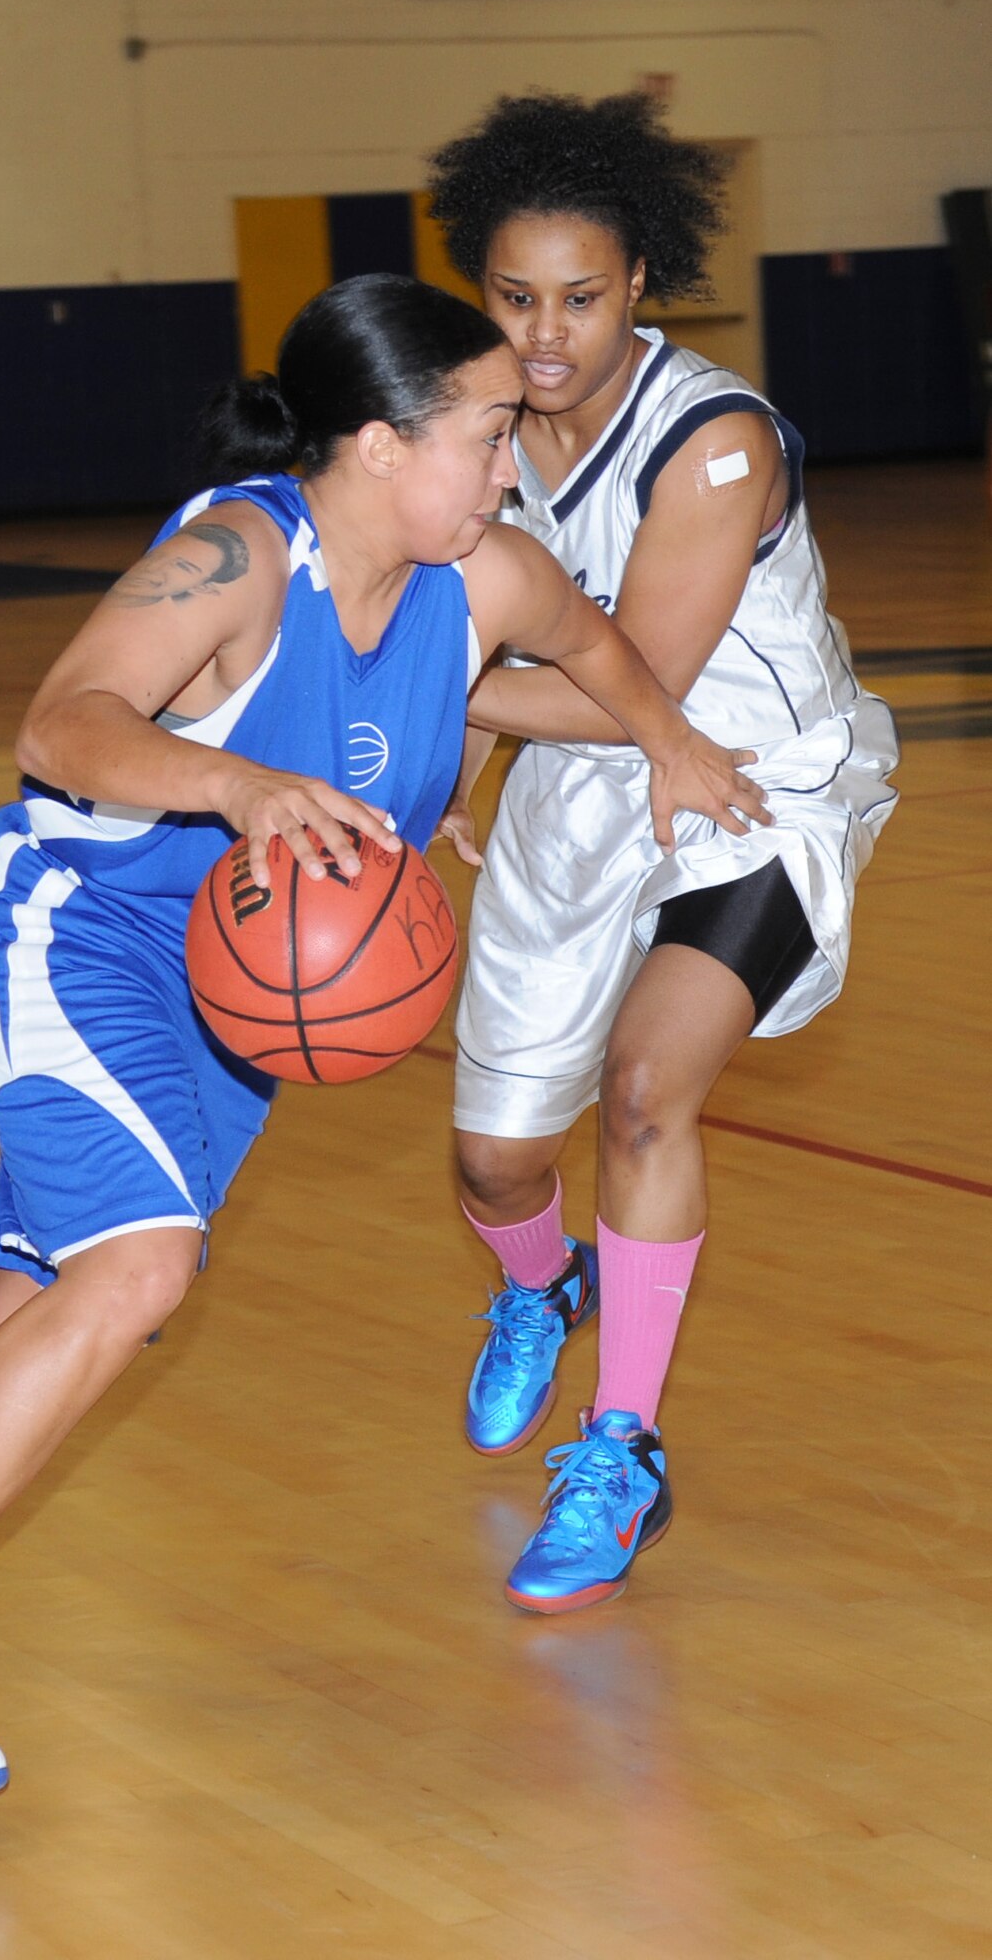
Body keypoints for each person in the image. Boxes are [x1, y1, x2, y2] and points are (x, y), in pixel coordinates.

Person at [0, 272, 764, 1796]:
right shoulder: (239, 556)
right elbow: (60, 725)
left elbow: (597, 650)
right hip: (71, 934)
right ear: (379, 446)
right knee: (139, 1270)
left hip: (227, 1006)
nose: (511, 461)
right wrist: (233, 784)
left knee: (34, 1325)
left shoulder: (489, 578)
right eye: (486, 430)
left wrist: (669, 745)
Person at [426, 94, 899, 1614]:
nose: (545, 332)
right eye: (513, 298)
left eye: (579, 296)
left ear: (639, 283)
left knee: (642, 1093)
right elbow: (512, 610)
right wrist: (474, 754)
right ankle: (534, 1288)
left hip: (751, 791)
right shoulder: (474, 435)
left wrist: (407, 701)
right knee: (494, 1158)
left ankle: (619, 1449)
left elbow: (626, 674)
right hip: (578, 794)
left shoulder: (714, 446)